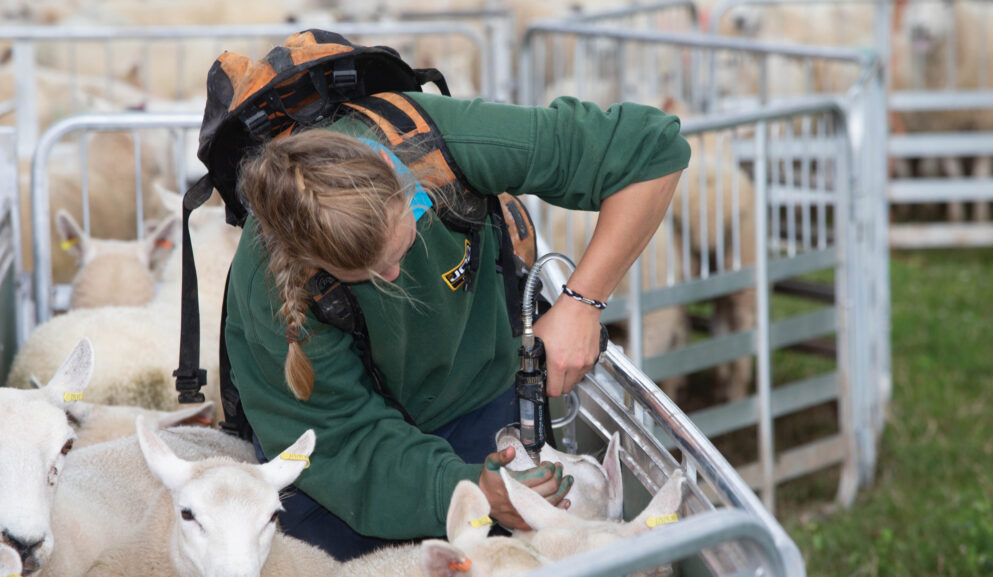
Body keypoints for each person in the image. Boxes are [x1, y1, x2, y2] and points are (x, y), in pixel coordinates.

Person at [223, 91, 689, 563]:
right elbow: (343, 445)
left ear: (404, 185)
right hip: (343, 471)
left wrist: (580, 303)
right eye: (363, 275)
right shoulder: (268, 287)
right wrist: (465, 491)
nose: (391, 278)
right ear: (309, 261)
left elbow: (650, 148)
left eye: (399, 250)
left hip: (473, 398)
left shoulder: (435, 145)